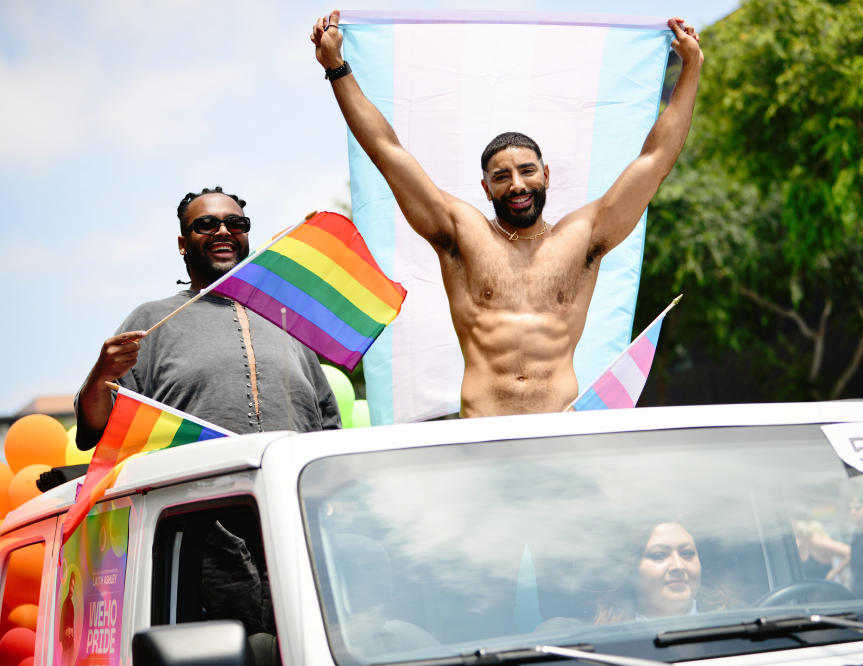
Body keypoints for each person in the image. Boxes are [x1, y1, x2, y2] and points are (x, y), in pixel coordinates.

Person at [311, 11, 703, 417]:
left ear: (546, 175)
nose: (516, 184)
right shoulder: (463, 233)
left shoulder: (582, 235)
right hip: (484, 432)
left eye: (527, 171)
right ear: (486, 188)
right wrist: (337, 68)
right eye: (501, 176)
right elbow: (387, 152)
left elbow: (655, 160)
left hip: (559, 429)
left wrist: (690, 68)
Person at [75, 187, 341, 449]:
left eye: (236, 223)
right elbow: (95, 430)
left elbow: (328, 424)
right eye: (206, 224)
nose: (223, 231)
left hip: (290, 485)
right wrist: (100, 376)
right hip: (197, 488)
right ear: (182, 244)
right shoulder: (151, 318)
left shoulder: (284, 318)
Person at [595, 521, 702, 622]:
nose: (678, 566)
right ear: (632, 570)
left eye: (687, 553)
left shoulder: (718, 622)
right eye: (659, 555)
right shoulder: (603, 637)